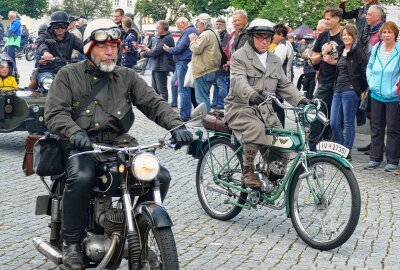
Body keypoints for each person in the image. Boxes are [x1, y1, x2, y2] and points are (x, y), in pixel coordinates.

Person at [44, 18, 193, 269]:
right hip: (83, 143)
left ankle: (137, 225)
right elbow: (55, 112)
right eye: (104, 47)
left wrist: (177, 125)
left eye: (114, 46)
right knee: (82, 177)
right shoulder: (68, 75)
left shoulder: (127, 76)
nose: (110, 51)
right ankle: (71, 243)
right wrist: (73, 131)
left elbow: (153, 103)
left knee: (160, 176)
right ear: (90, 48)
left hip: (120, 143)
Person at [224, 18, 308, 189]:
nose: (263, 41)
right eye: (259, 37)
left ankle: (269, 176)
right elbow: (238, 81)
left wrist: (301, 100)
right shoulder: (239, 57)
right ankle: (247, 172)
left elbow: (284, 84)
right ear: (251, 37)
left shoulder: (274, 60)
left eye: (267, 38)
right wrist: (252, 94)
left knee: (284, 142)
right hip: (241, 108)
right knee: (256, 129)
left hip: (266, 111)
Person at [364, 21, 400, 172]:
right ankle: (375, 158)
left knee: (393, 129)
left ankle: (392, 160)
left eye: (389, 32)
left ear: (395, 34)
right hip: (376, 94)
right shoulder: (377, 48)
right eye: (384, 32)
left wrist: (395, 88)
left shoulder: (399, 50)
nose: (386, 35)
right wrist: (371, 83)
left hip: (393, 96)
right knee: (377, 127)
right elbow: (369, 66)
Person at [330, 24, 368, 160]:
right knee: (333, 122)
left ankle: (346, 153)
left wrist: (361, 89)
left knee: (348, 122)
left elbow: (364, 71)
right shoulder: (340, 50)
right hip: (338, 89)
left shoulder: (358, 51)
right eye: (343, 34)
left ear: (354, 36)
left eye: (348, 34)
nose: (346, 37)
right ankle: (341, 148)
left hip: (351, 90)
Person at [309, 7, 344, 150]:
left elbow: (350, 59)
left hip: (340, 82)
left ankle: (334, 145)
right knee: (317, 113)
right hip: (324, 81)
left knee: (336, 118)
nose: (326, 21)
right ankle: (313, 144)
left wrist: (333, 61)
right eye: (325, 19)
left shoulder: (345, 35)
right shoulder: (323, 36)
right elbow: (313, 59)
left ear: (337, 19)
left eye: (328, 18)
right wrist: (323, 53)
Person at [357, 4, 385, 154]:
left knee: (376, 113)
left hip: (377, 77)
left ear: (378, 17)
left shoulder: (382, 32)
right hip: (367, 74)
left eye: (369, 14)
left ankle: (378, 145)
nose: (366, 16)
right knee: (370, 111)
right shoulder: (368, 31)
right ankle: (374, 142)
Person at [35, 11, 84, 86]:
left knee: (80, 83)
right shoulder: (45, 35)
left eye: (63, 25)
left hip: (65, 70)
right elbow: (40, 43)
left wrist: (92, 52)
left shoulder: (71, 37)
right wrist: (45, 52)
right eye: (57, 25)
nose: (60, 28)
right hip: (48, 70)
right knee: (46, 82)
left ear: (67, 26)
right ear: (52, 26)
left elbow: (82, 46)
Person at [163, 17, 197, 120]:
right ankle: (178, 106)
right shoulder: (189, 31)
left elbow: (180, 47)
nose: (178, 28)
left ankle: (185, 115)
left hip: (183, 62)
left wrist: (170, 49)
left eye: (178, 25)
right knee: (177, 84)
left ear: (183, 23)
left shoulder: (189, 31)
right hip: (181, 62)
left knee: (183, 89)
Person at [189, 13, 221, 112]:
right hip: (211, 69)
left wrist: (193, 40)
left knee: (202, 98)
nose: (196, 25)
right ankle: (207, 119)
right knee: (205, 96)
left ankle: (205, 120)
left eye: (197, 22)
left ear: (202, 23)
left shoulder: (205, 34)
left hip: (204, 70)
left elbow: (196, 49)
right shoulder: (214, 32)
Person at [140, 20, 175, 101]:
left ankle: (165, 109)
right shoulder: (162, 37)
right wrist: (148, 50)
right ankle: (157, 108)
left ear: (162, 29)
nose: (156, 29)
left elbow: (156, 51)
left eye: (157, 27)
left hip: (162, 67)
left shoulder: (167, 38)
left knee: (162, 90)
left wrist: (143, 54)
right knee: (155, 90)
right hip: (157, 66)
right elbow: (155, 50)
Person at [270, 23, 295, 128]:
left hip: (279, 82)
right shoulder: (287, 44)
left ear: (280, 35)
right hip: (284, 80)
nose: (272, 37)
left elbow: (276, 64)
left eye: (273, 35)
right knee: (278, 107)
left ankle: (280, 131)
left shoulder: (282, 46)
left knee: (277, 107)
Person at [211, 17, 229, 110]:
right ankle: (215, 103)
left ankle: (221, 103)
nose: (218, 26)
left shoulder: (226, 35)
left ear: (224, 25)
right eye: (217, 24)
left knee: (221, 84)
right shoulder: (216, 34)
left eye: (220, 24)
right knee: (216, 85)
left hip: (222, 62)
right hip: (215, 63)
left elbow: (223, 49)